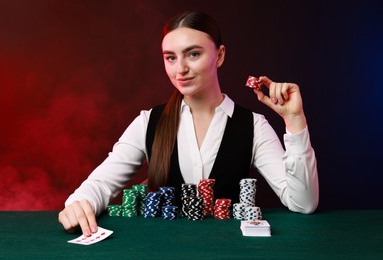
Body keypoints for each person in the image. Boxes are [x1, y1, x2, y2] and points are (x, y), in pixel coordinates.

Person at [58, 11, 319, 236]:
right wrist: (80, 203)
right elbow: (102, 184)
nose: (179, 68)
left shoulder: (254, 126)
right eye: (170, 57)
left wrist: (294, 120)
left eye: (192, 54)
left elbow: (303, 203)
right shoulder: (148, 122)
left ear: (219, 56)